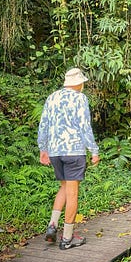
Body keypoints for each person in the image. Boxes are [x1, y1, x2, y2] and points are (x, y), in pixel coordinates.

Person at [38, 68, 100, 250]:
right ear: (79, 83)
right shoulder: (80, 98)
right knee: (72, 192)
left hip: (55, 151)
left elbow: (44, 124)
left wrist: (43, 148)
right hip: (74, 151)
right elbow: (84, 126)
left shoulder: (52, 97)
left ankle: (52, 225)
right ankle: (67, 238)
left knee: (64, 187)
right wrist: (94, 150)